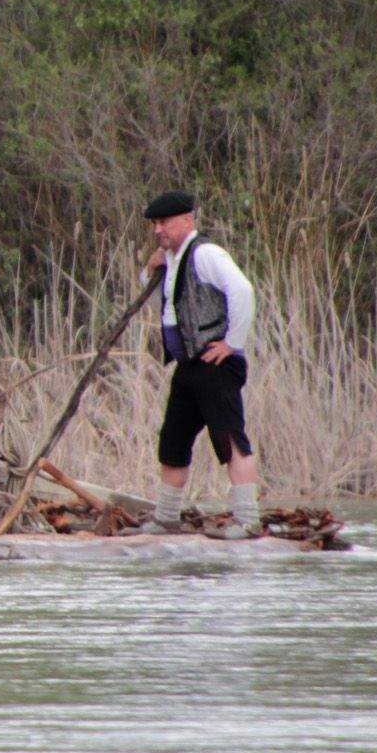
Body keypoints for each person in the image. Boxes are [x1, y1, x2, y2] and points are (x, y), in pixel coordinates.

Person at [138, 190, 262, 539]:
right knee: (173, 441)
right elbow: (163, 304)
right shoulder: (171, 258)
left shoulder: (206, 253)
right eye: (155, 224)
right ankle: (166, 518)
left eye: (164, 222)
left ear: (186, 220)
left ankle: (248, 520)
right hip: (189, 365)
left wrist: (232, 343)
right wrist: (150, 270)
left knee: (229, 438)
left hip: (215, 363)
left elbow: (242, 291)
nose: (158, 230)